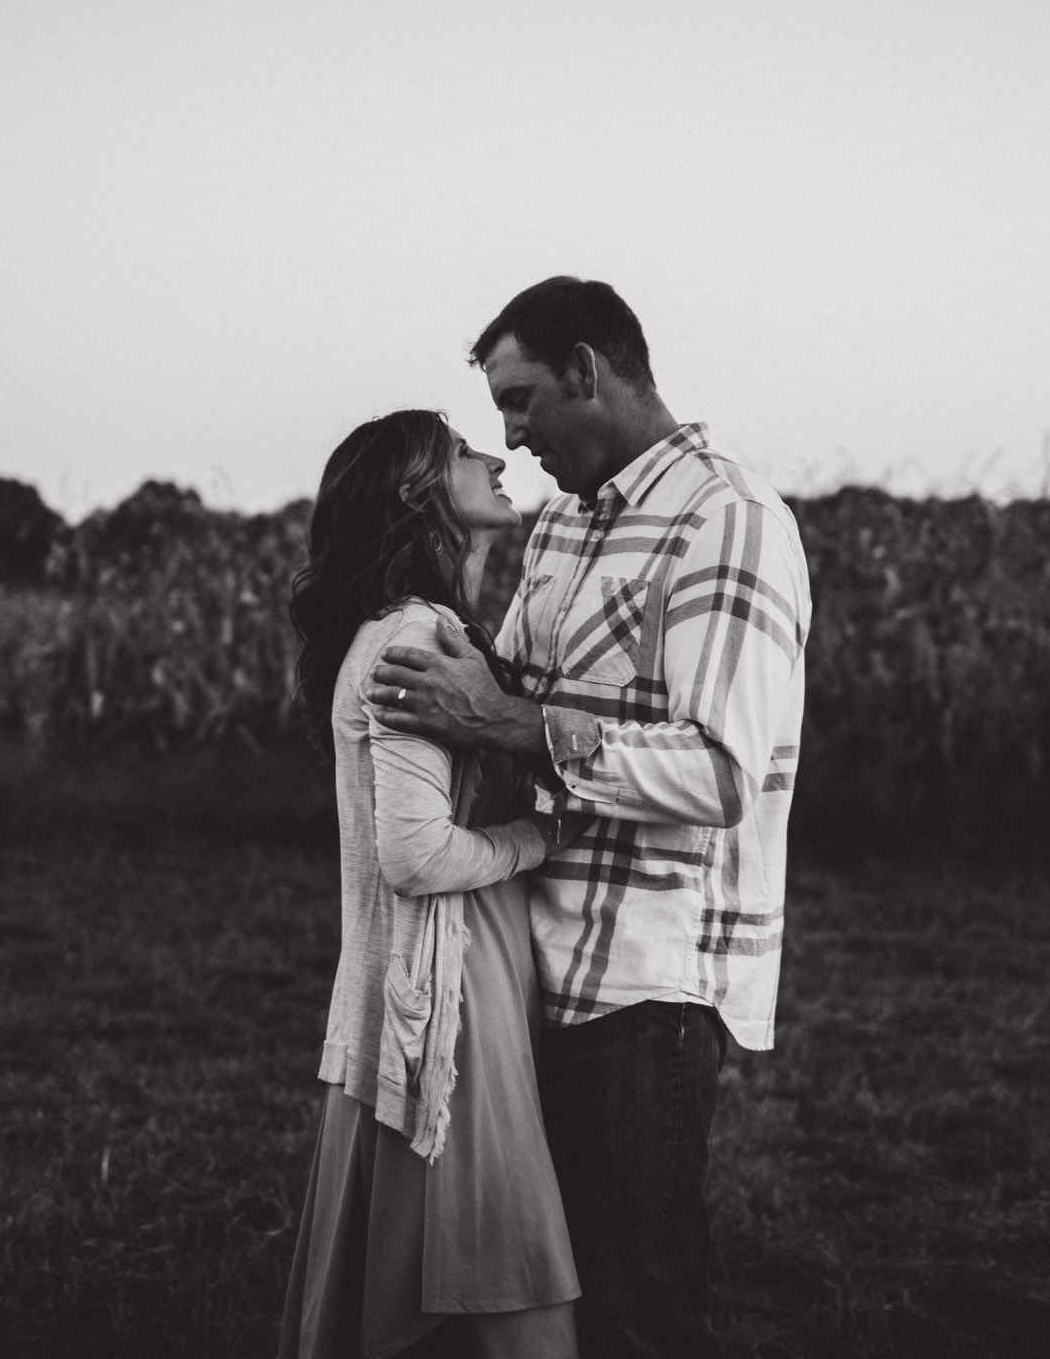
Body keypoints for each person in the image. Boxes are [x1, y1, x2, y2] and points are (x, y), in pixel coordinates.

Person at [367, 278, 811, 1359]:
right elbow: (516, 682)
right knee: (538, 1292)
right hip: (529, 955)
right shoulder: (564, 518)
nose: (509, 439)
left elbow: (717, 774)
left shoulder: (728, 520)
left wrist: (512, 721)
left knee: (631, 1304)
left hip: (641, 987)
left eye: (521, 402)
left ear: (588, 370)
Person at [276, 409, 582, 1359]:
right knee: (513, 1284)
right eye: (460, 452)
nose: (495, 455)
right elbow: (415, 858)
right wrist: (540, 838)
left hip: (454, 965)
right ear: (416, 496)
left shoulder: (424, 627)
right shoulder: (412, 635)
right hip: (450, 983)